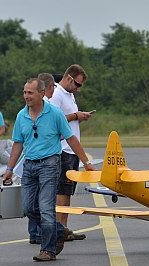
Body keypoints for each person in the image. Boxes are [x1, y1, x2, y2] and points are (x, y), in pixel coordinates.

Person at [2, 78, 95, 261]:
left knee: (46, 208)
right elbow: (17, 144)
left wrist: (86, 162)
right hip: (29, 165)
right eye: (25, 92)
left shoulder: (55, 113)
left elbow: (71, 139)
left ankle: (48, 250)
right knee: (29, 208)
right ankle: (59, 230)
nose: (26, 96)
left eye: (30, 93)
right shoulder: (22, 116)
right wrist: (9, 168)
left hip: (50, 165)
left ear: (42, 93)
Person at [49, 64, 93, 241]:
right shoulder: (57, 94)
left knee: (67, 192)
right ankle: (60, 229)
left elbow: (68, 119)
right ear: (68, 78)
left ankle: (63, 229)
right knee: (62, 191)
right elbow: (52, 118)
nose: (78, 88)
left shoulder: (69, 94)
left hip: (71, 150)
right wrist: (76, 115)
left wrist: (78, 117)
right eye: (77, 84)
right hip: (63, 150)